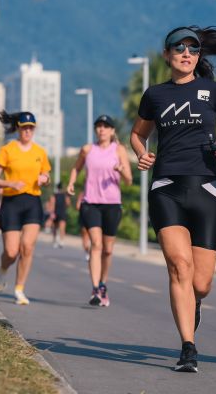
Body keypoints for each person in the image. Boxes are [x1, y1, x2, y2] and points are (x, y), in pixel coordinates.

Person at [130, 26, 216, 373]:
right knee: (179, 266)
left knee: (201, 283)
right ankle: (188, 347)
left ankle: (194, 303)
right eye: (178, 48)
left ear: (198, 56)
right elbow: (138, 134)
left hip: (207, 188)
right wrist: (142, 153)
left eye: (192, 49)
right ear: (167, 55)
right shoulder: (154, 95)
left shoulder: (213, 91)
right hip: (165, 186)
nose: (186, 53)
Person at [67, 114, 132, 307]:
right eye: (99, 126)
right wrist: (71, 183)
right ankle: (95, 288)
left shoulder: (119, 150)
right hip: (91, 203)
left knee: (108, 249)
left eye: (106, 126)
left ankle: (103, 284)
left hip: (112, 204)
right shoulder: (87, 149)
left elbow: (129, 180)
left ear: (112, 131)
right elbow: (76, 168)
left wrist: (121, 170)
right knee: (96, 244)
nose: (101, 129)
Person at [0, 111, 51, 305]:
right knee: (11, 251)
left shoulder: (40, 152)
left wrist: (44, 179)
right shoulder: (8, 150)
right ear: (17, 128)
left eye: (31, 127)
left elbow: (47, 176)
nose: (27, 131)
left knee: (27, 247)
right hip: (11, 203)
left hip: (33, 202)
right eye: (24, 127)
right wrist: (10, 184)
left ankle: (19, 289)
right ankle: (3, 269)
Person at [49, 182, 70, 248]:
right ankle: (61, 241)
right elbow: (68, 203)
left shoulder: (54, 195)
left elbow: (52, 204)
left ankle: (55, 240)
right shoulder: (65, 195)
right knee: (62, 227)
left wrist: (52, 213)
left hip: (56, 212)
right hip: (62, 212)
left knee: (55, 227)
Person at [76, 191, 91, 261]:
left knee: (85, 237)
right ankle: (90, 251)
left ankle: (88, 252)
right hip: (92, 217)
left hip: (84, 216)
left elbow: (78, 206)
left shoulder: (82, 194)